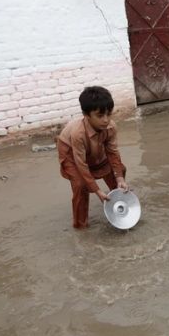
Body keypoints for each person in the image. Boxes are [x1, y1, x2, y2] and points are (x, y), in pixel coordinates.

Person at [58, 86, 128, 229]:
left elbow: (113, 153)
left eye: (109, 114)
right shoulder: (78, 133)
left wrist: (120, 178)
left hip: (93, 147)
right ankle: (80, 225)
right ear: (86, 115)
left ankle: (117, 209)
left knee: (120, 170)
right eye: (100, 115)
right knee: (80, 185)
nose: (106, 120)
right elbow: (81, 164)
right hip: (70, 151)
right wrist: (97, 190)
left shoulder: (110, 127)